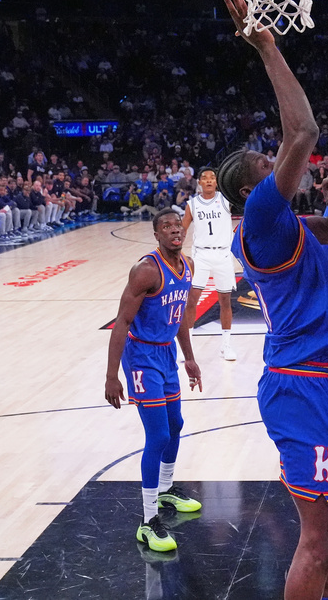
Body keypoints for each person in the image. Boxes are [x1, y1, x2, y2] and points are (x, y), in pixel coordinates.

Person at [215, 0, 328, 600]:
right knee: (318, 538)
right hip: (303, 385)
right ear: (253, 186)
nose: (277, 163)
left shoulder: (281, 225)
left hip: (313, 380)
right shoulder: (264, 215)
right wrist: (266, 44)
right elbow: (304, 129)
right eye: (266, 164)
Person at [104, 209, 203, 554]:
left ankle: (165, 490)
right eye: (167, 227)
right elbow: (121, 323)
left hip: (165, 356)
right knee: (158, 434)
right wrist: (111, 375)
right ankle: (148, 523)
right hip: (142, 358)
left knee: (176, 425)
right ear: (157, 235)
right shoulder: (146, 270)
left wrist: (188, 357)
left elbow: (179, 320)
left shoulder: (187, 265)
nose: (175, 230)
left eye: (178, 225)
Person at [181, 168, 237, 362]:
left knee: (225, 301)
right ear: (199, 183)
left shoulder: (226, 199)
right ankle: (187, 347)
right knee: (191, 300)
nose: (209, 181)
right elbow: (182, 230)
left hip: (222, 253)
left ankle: (226, 345)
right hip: (201, 255)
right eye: (204, 178)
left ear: (217, 182)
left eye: (212, 178)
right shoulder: (193, 204)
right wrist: (175, 252)